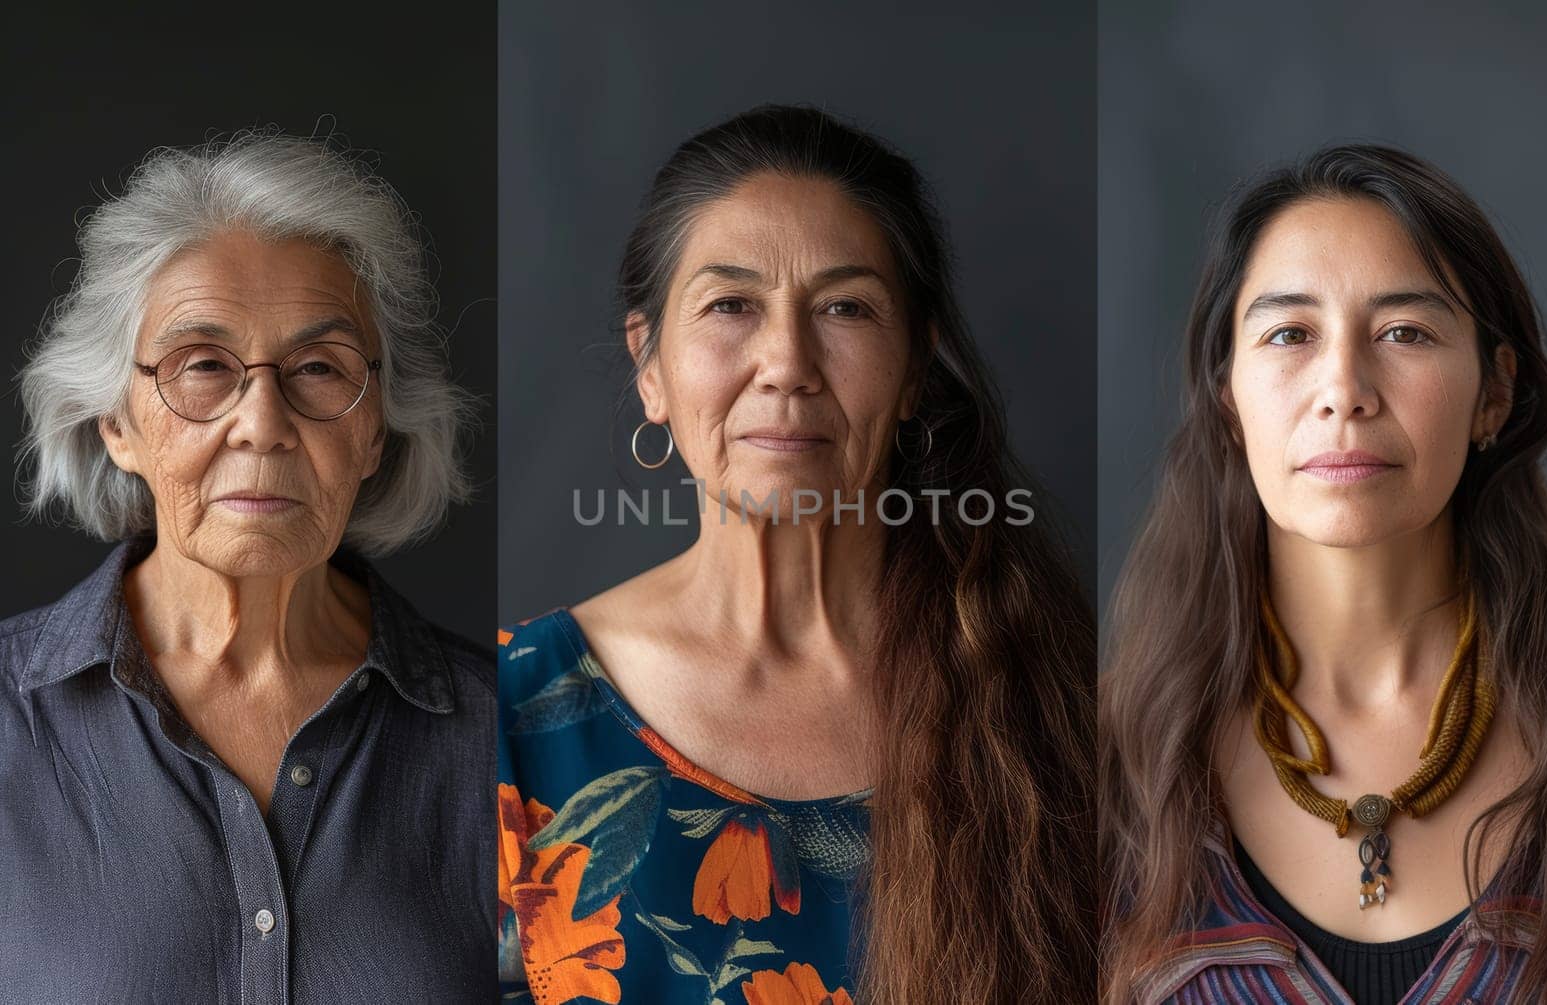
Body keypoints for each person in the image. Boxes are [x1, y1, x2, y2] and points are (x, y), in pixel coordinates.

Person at [497, 104, 1097, 1004]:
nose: (787, 361)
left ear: (912, 374)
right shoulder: (506, 713)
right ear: (650, 366)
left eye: (845, 308)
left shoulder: (1056, 699)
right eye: (731, 305)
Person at [1099, 144, 1547, 1003]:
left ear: (1494, 392)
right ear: (1228, 396)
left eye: (1404, 332)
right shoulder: (1098, 765)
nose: (1344, 389)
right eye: (1290, 333)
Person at [0, 133, 495, 1001]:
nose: (262, 421)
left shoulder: (510, 739)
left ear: (376, 427)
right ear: (117, 421)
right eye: (202, 367)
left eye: (318, 368)